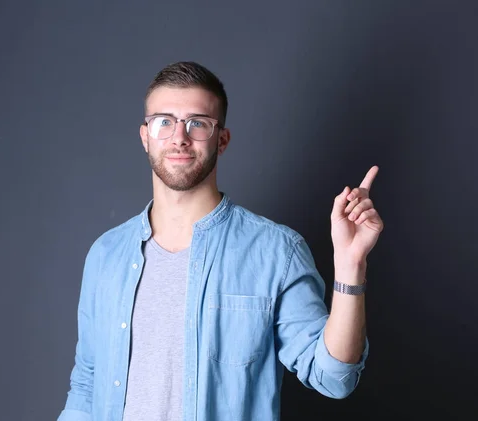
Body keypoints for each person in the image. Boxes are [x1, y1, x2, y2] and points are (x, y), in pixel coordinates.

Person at [57, 61, 384, 421]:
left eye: (197, 123)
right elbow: (87, 384)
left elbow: (333, 378)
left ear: (222, 139)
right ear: (145, 136)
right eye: (163, 122)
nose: (179, 137)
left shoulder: (276, 252)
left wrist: (351, 267)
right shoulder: (106, 255)